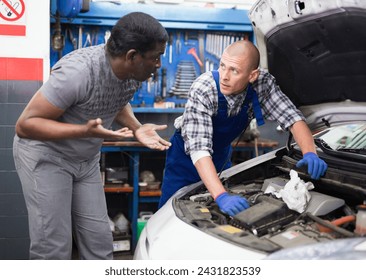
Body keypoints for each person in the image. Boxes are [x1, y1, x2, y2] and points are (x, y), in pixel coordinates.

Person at [13, 12, 171, 260]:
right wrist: (82, 130)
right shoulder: (78, 73)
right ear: (132, 56)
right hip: (47, 158)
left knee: (100, 242)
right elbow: (25, 125)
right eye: (156, 58)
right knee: (53, 247)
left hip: (85, 162)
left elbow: (116, 100)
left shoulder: (133, 73)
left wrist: (136, 127)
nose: (159, 64)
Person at [159, 40, 327, 216]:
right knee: (171, 212)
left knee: (214, 214)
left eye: (234, 71)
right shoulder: (204, 88)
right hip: (185, 159)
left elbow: (292, 118)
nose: (224, 76)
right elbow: (199, 150)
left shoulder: (262, 84)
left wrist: (309, 152)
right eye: (222, 66)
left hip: (221, 156)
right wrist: (222, 196)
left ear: (252, 75)